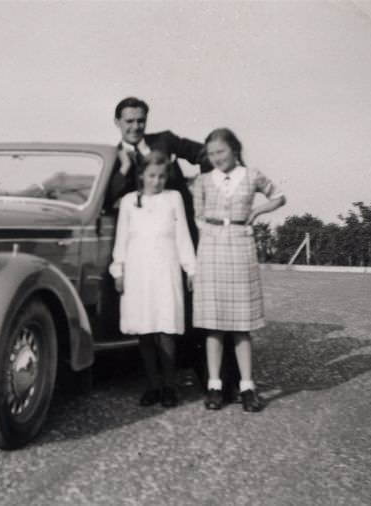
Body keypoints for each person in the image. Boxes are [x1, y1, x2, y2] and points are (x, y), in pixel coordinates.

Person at [192, 128, 286, 412]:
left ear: (234, 148)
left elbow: (279, 197)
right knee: (214, 325)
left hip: (241, 246)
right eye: (211, 154)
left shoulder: (252, 175)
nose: (216, 158)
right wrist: (211, 235)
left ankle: (247, 386)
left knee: (242, 325)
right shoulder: (203, 180)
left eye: (220, 152)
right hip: (211, 249)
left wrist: (257, 212)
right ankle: (215, 386)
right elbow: (197, 216)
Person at [110, 150, 197, 407]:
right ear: (141, 176)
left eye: (161, 176)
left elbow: (182, 235)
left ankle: (170, 386)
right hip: (138, 272)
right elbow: (122, 238)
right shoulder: (129, 201)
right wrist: (119, 269)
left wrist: (190, 268)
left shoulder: (173, 198)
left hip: (165, 270)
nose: (156, 181)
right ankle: (153, 385)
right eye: (151, 176)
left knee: (166, 329)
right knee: (145, 332)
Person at [105, 96, 212, 245]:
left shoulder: (165, 140)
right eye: (129, 121)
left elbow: (207, 153)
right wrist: (124, 168)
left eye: (141, 121)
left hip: (179, 228)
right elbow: (107, 200)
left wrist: (205, 190)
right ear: (117, 122)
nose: (136, 127)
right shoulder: (112, 157)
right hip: (142, 236)